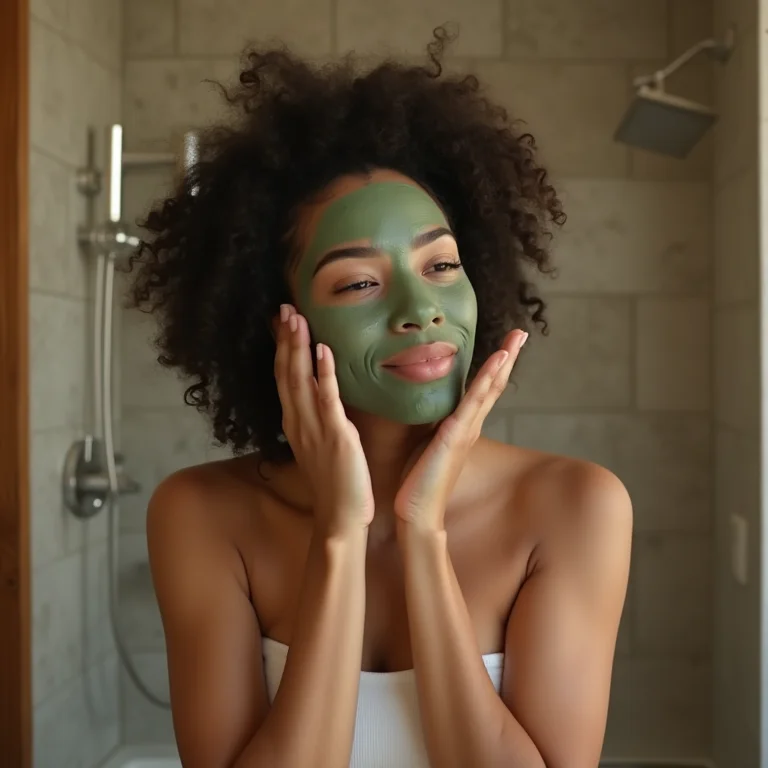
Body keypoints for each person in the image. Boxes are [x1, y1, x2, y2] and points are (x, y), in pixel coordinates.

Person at [129, 27, 632, 768]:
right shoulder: (202, 517)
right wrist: (339, 538)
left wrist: (421, 531)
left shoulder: (577, 507)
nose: (420, 309)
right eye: (359, 281)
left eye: (441, 264)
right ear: (278, 321)